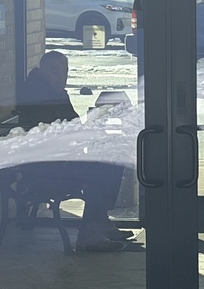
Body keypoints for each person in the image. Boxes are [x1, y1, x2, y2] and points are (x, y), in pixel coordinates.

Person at [16, 50, 132, 253]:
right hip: (43, 168)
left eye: (65, 72)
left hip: (60, 161)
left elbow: (73, 124)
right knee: (102, 169)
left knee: (112, 158)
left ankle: (99, 223)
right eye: (55, 71)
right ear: (42, 71)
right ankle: (90, 234)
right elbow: (51, 132)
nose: (62, 77)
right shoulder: (37, 98)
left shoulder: (57, 93)